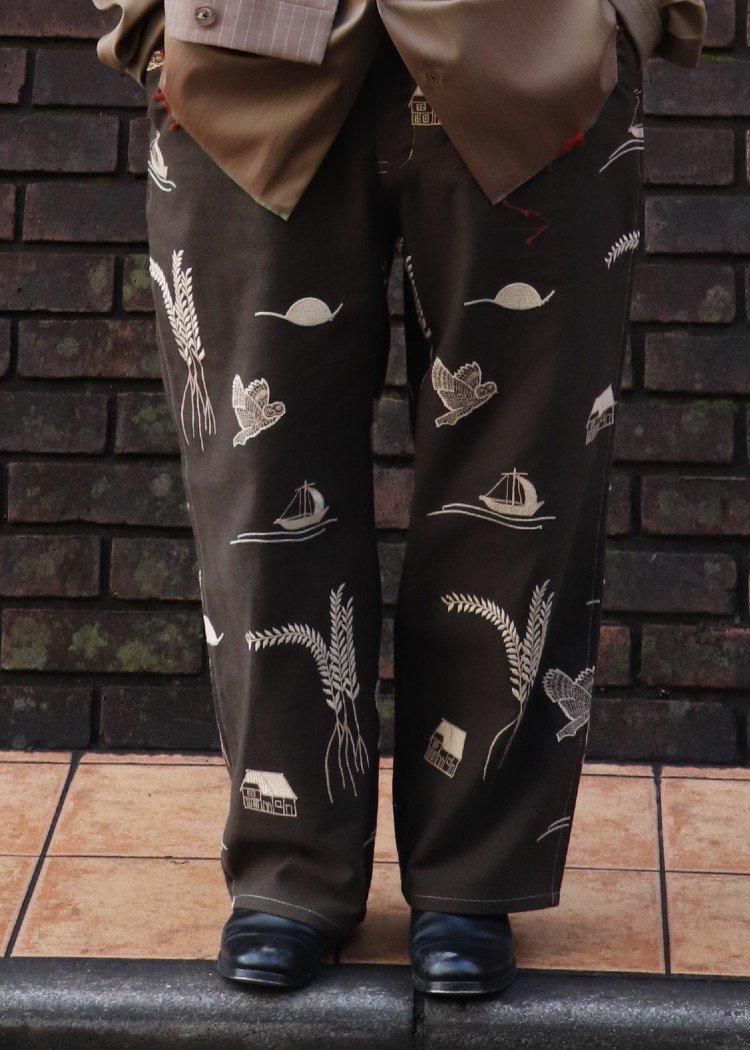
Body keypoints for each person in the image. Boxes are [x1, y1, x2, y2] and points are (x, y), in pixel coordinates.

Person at [92, 0, 706, 995]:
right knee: (259, 496)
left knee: (517, 494)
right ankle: (288, 862)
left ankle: (473, 871)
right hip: (243, 51)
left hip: (529, 43)